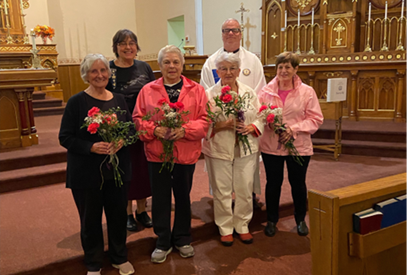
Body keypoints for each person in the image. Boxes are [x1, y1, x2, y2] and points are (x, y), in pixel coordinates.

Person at [59, 53, 135, 275]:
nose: (100, 75)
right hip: (87, 172)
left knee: (118, 215)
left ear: (109, 74)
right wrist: (90, 147)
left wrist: (122, 140)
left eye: (103, 70)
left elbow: (131, 130)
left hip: (117, 169)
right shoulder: (76, 102)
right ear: (86, 75)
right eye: (94, 71)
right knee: (90, 219)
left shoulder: (119, 100)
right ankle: (93, 262)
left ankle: (119, 257)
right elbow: (65, 137)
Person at [133, 45, 209, 263]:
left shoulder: (196, 90)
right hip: (157, 154)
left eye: (176, 62)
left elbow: (205, 120)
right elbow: (137, 119)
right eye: (167, 62)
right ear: (160, 65)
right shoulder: (147, 90)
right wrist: (154, 130)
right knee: (160, 198)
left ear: (182, 64)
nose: (172, 66)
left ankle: (183, 238)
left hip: (186, 153)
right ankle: (163, 240)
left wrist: (185, 130)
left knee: (183, 197)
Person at [200, 18, 267, 209]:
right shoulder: (211, 62)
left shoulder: (253, 60)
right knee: (222, 177)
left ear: (241, 33)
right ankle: (224, 203)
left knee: (245, 175)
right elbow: (206, 92)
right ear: (221, 34)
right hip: (221, 128)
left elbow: (258, 91)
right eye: (226, 30)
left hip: (245, 127)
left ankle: (248, 198)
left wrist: (247, 118)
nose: (231, 33)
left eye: (235, 30)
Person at [258, 52, 323, 237]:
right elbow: (259, 114)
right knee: (273, 184)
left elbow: (315, 119)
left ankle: (300, 219)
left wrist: (293, 129)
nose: (283, 71)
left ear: (296, 69)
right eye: (280, 67)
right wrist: (268, 122)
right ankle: (271, 220)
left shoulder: (307, 91)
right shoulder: (265, 91)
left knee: (298, 183)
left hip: (299, 146)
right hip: (271, 145)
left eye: (288, 67)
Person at [202, 52, 264, 246]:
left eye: (232, 68)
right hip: (219, 147)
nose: (228, 72)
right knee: (222, 190)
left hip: (246, 148)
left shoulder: (249, 92)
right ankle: (226, 227)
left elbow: (260, 116)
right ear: (217, 71)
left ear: (238, 71)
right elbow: (203, 122)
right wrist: (222, 125)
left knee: (245, 188)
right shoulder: (209, 94)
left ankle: (242, 225)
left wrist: (252, 127)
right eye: (223, 68)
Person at [106, 29, 155, 231]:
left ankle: (142, 211)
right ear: (116, 47)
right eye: (122, 43)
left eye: (132, 43)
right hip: (120, 127)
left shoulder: (144, 67)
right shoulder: (108, 69)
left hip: (142, 126)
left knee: (142, 170)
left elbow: (153, 93)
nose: (128, 47)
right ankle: (126, 213)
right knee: (125, 169)